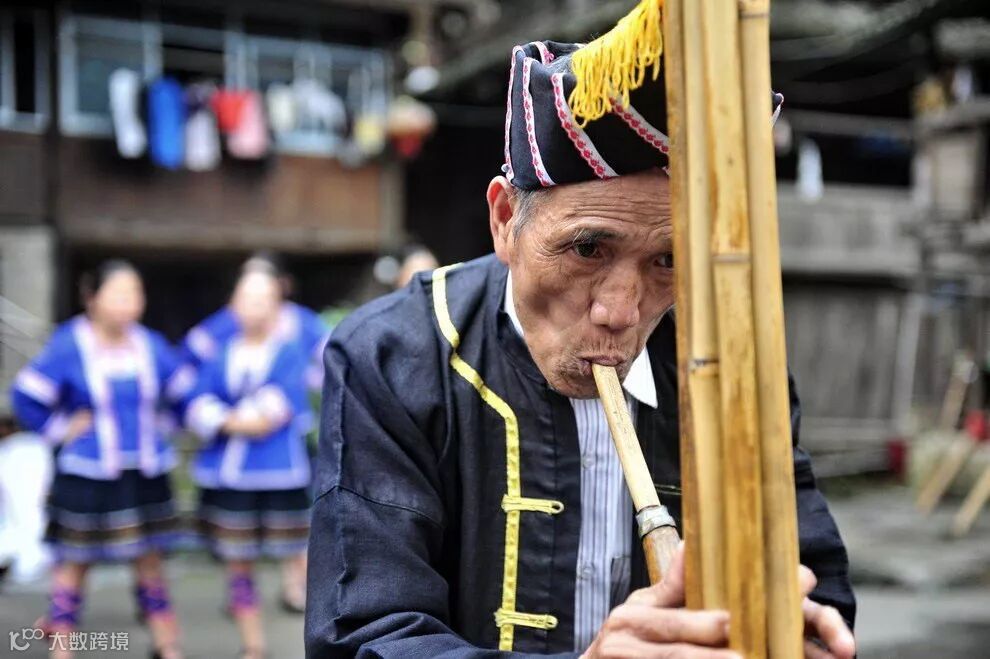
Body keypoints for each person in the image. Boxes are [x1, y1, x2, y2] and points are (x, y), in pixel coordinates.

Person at [305, 39, 857, 658]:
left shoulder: (731, 365)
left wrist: (791, 632)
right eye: (587, 249)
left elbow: (812, 573)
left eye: (668, 260)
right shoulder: (393, 357)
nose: (620, 312)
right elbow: (365, 634)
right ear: (505, 220)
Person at [11, 260, 190, 659]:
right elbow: (27, 395)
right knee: (75, 561)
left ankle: (167, 644)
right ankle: (63, 647)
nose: (129, 303)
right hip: (87, 475)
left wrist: (169, 425)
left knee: (149, 559)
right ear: (91, 298)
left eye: (135, 294)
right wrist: (60, 428)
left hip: (143, 473)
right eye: (119, 294)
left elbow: (184, 392)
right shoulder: (69, 344)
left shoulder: (149, 345)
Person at [183, 252, 327, 612]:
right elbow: (192, 367)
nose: (255, 305)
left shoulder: (299, 327)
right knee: (236, 542)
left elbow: (328, 360)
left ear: (281, 291)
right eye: (247, 293)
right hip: (231, 457)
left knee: (293, 533)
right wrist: (224, 417)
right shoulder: (224, 336)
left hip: (283, 448)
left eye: (263, 294)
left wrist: (305, 392)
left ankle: (300, 593)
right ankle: (244, 611)